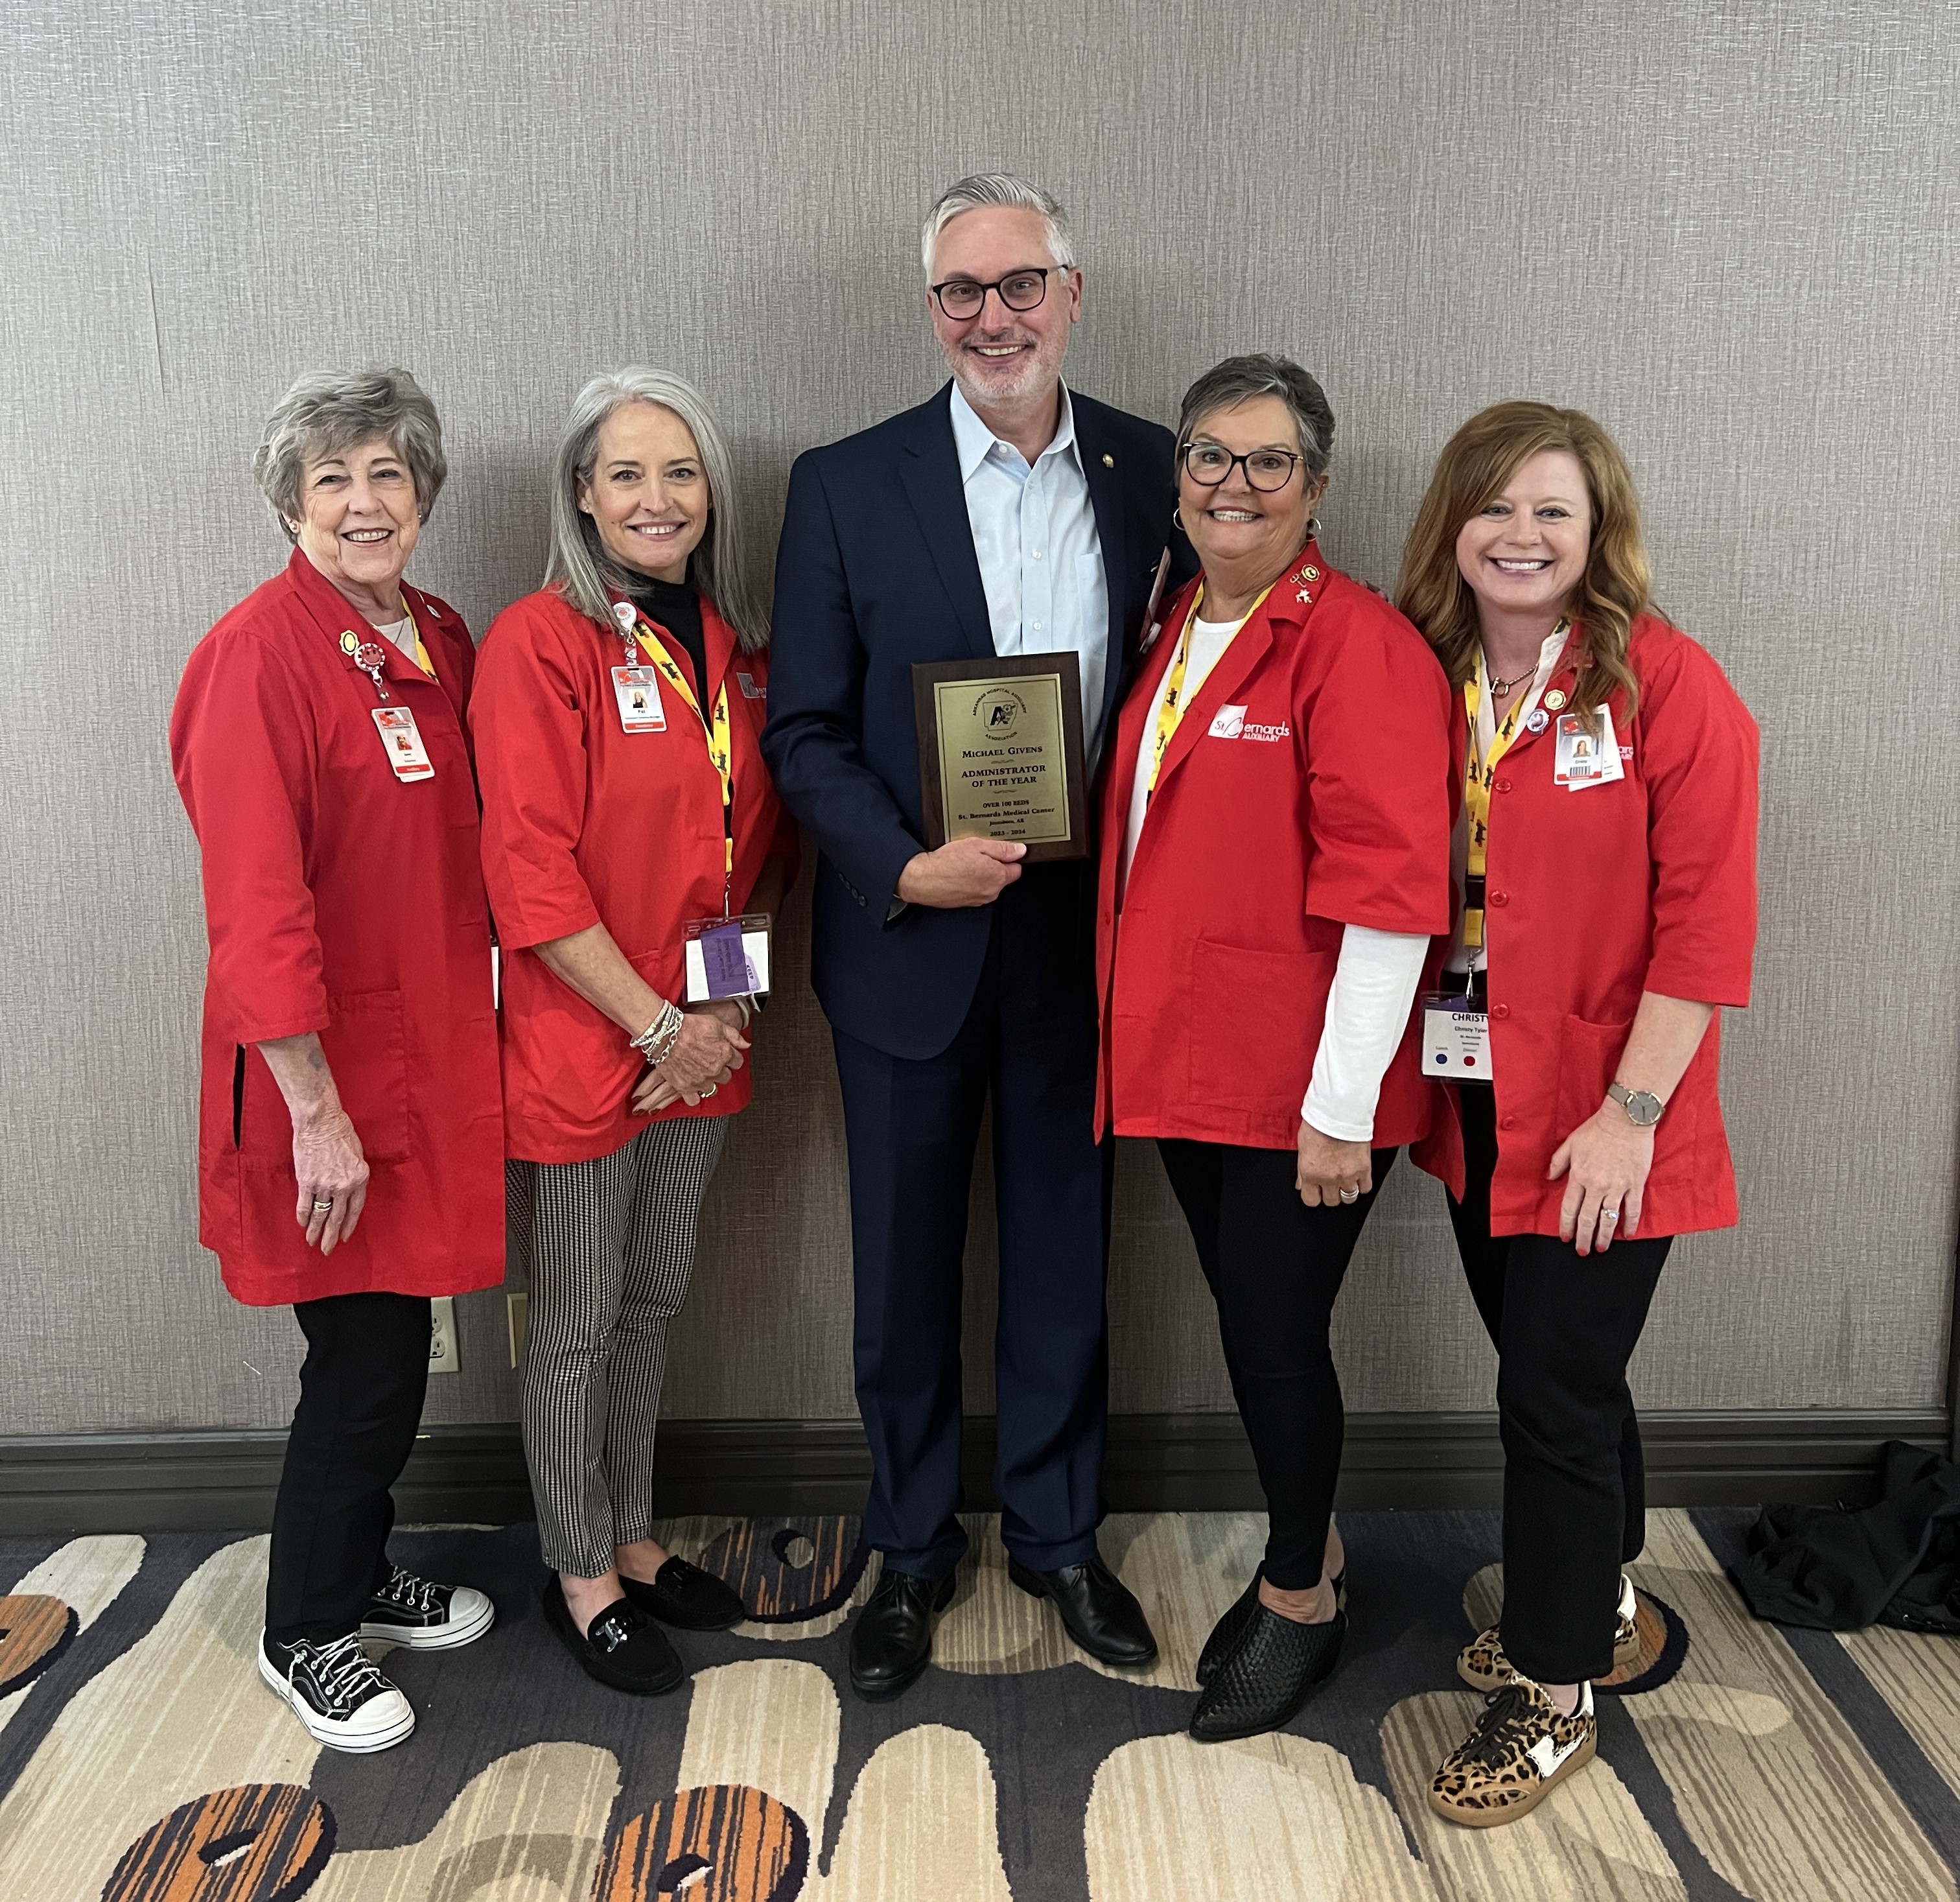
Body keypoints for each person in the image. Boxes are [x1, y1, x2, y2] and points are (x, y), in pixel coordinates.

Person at [762, 173, 1192, 1700]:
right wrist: (900, 864)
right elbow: (801, 729)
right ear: (930, 309)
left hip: (1091, 943)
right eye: (963, 292)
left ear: (1073, 294)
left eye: (1022, 286)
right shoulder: (844, 482)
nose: (994, 317)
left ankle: (1061, 1540)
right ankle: (912, 1548)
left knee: (1069, 1255)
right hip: (912, 939)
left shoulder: (1159, 471)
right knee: (903, 1271)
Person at [1398, 402, 1759, 1826]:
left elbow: (1707, 931)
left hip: (1608, 1113)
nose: (1522, 535)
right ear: (1455, 527)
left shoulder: (1666, 687)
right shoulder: (1429, 678)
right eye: (1495, 507)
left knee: (1546, 1393)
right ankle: (1601, 1595)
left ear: (1600, 531)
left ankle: (1555, 1695)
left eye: (1554, 510)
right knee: (1568, 1372)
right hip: (1480, 1089)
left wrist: (1631, 1113)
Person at [1094, 355, 1452, 1740]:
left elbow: (1391, 897)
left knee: (1274, 1332)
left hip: (1299, 1085)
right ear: (1179, 473)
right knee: (1255, 1324)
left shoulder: (1356, 647)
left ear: (1317, 483)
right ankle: (1315, 1559)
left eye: (1267, 461)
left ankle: (1306, 1589)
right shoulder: (1179, 619)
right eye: (1208, 457)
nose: (1232, 485)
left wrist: (1341, 1109)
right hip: (1186, 1058)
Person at [169, 369, 502, 1754]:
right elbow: (257, 911)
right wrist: (316, 1113)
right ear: (288, 503)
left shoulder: (435, 631)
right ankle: (305, 1628)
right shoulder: (256, 654)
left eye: (386, 474)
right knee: (362, 1362)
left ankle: (361, 1570)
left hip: (427, 1056)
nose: (364, 503)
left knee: (396, 1354)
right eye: (332, 481)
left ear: (423, 493)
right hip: (323, 1082)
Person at [471, 368, 798, 1697]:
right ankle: (579, 1569)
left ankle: (636, 1534)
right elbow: (531, 877)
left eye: (679, 472)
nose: (656, 498)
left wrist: (719, 1012)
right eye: (626, 474)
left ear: (710, 490)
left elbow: (754, 856)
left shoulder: (734, 652)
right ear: (582, 495)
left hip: (703, 1042)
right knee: (575, 1322)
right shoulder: (537, 643)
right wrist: (659, 1020)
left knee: (655, 1301)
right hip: (581, 1044)